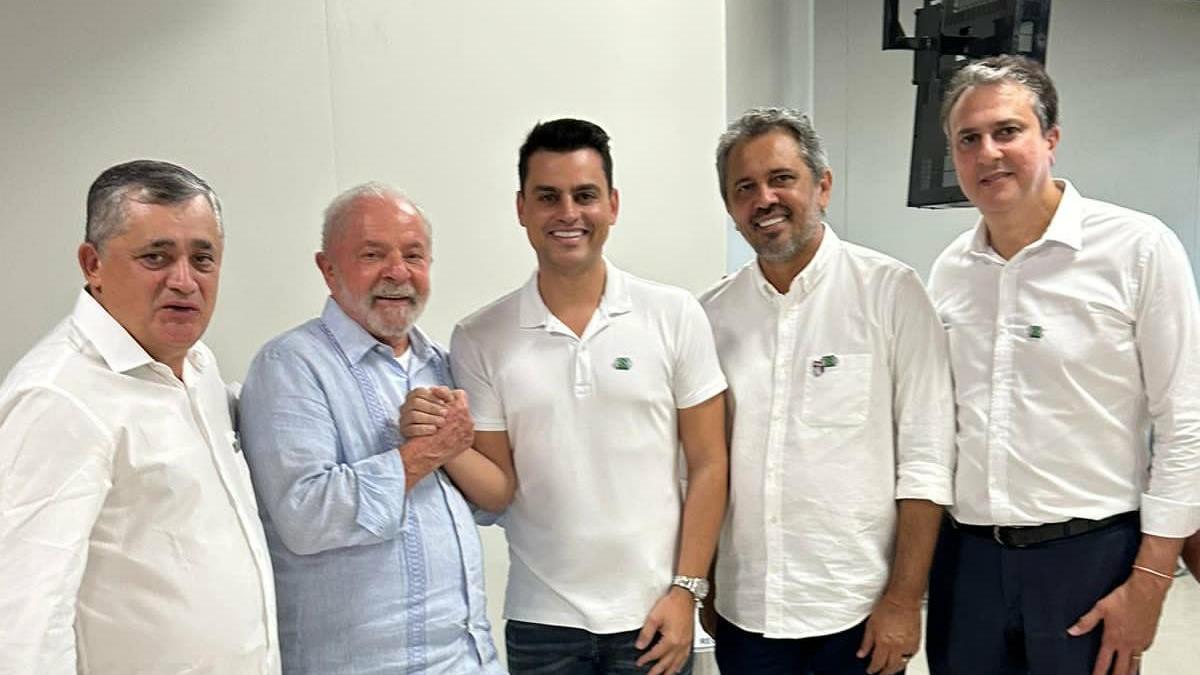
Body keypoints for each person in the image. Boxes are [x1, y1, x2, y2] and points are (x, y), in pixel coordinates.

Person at [415, 118, 728, 675]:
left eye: (584, 196)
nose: (568, 213)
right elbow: (497, 489)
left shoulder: (674, 314)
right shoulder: (481, 336)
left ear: (612, 204)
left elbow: (709, 462)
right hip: (542, 626)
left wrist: (687, 591)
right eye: (548, 197)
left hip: (655, 617)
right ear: (522, 208)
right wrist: (440, 443)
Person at [926, 54, 1200, 675]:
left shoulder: (1137, 249)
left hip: (1089, 557)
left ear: (1050, 138)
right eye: (968, 139)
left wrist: (1152, 581)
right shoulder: (950, 271)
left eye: (1007, 131)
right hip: (968, 564)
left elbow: (1185, 422)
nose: (988, 153)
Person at [698, 107, 955, 675]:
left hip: (858, 613)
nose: (764, 199)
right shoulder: (710, 316)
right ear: (731, 208)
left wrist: (904, 599)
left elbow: (927, 459)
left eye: (781, 179)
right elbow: (703, 467)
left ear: (823, 186)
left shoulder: (891, 293)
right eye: (745, 188)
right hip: (747, 613)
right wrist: (707, 584)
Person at [0, 159, 279, 674]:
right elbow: (24, 625)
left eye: (203, 258)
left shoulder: (198, 366)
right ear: (92, 264)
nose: (184, 281)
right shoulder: (58, 396)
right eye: (156, 257)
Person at [236, 183, 505, 674]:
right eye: (372, 254)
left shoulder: (441, 365)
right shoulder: (290, 365)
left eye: (413, 255)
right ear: (327, 268)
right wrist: (424, 452)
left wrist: (453, 448)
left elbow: (490, 504)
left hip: (468, 660)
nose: (397, 272)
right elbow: (306, 515)